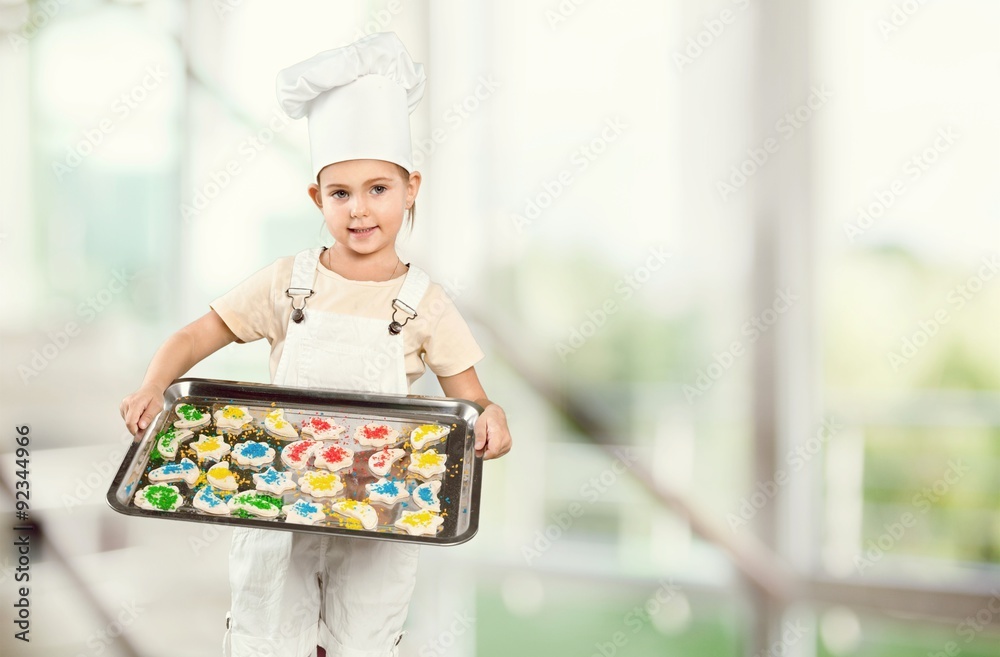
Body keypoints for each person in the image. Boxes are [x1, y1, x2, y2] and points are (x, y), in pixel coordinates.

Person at [119, 32, 512, 657]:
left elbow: (475, 405)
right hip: (278, 502)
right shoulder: (288, 282)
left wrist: (493, 421)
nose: (360, 210)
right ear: (316, 198)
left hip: (378, 512)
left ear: (412, 187)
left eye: (378, 189)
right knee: (268, 636)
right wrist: (151, 385)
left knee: (362, 641)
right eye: (341, 193)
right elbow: (195, 335)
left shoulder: (426, 303)